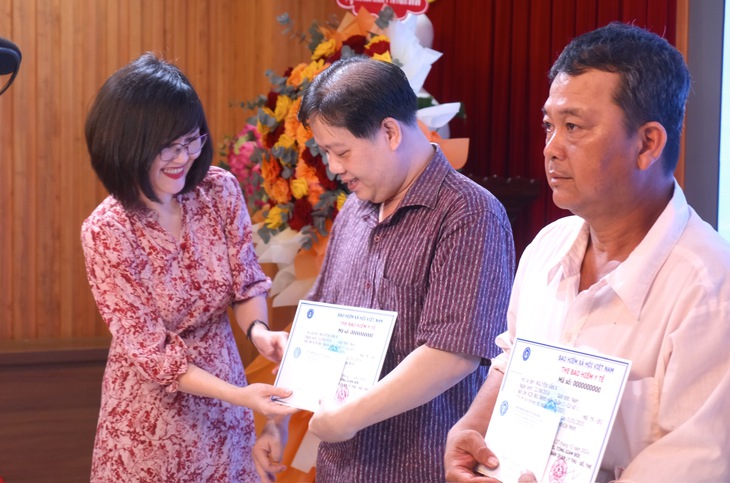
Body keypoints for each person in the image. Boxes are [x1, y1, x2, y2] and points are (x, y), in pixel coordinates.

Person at [444, 22, 730, 483]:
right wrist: (472, 428)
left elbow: (697, 462)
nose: (550, 149)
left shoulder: (711, 287)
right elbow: (514, 357)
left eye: (573, 127)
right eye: (549, 126)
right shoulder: (548, 246)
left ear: (647, 144)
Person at [252, 56, 516, 482]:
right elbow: (320, 323)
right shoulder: (354, 211)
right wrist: (278, 421)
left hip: (421, 466)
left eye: (341, 151)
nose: (334, 167)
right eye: (326, 152)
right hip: (343, 468)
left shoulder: (469, 213)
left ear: (390, 132)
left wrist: (349, 417)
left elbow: (453, 353)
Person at [81, 53, 296, 482]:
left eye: (191, 140)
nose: (184, 157)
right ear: (126, 144)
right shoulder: (107, 230)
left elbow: (246, 283)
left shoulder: (218, 190)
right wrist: (239, 395)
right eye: (169, 146)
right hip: (149, 420)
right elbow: (153, 354)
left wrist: (259, 333)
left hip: (227, 402)